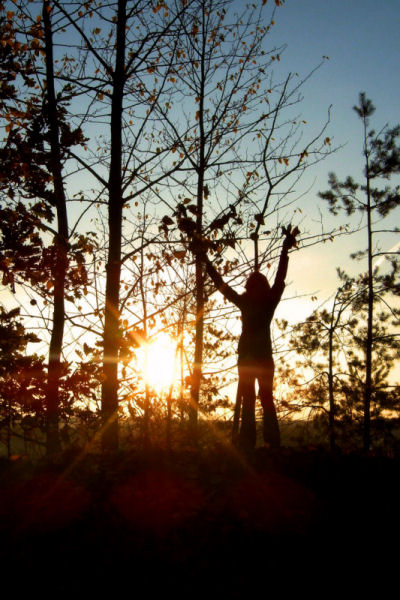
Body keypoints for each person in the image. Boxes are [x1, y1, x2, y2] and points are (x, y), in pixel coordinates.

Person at [198, 226, 298, 452]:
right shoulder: (266, 302)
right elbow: (278, 280)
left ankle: (250, 444)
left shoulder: (253, 302)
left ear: (251, 288)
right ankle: (266, 443)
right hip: (258, 359)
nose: (252, 289)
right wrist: (284, 249)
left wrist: (205, 260)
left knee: (254, 400)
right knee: (261, 399)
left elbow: (222, 286)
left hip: (252, 359)